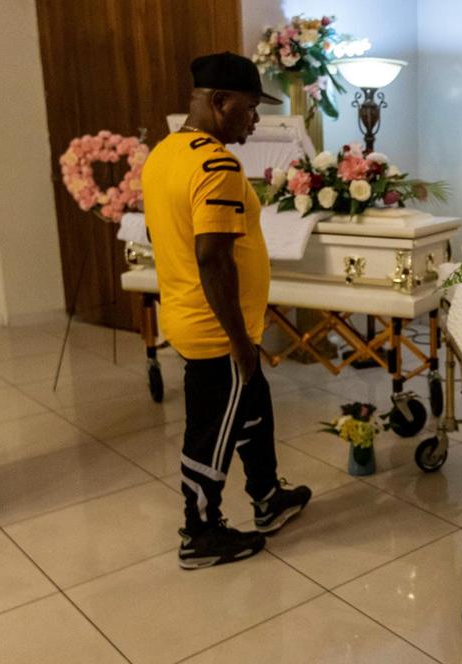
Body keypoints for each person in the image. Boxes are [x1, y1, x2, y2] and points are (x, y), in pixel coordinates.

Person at [143, 52, 311, 569]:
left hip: (188, 313)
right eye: (249, 108)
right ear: (218, 102)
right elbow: (213, 258)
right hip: (216, 329)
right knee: (211, 428)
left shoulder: (164, 155)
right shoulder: (214, 164)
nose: (255, 119)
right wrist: (239, 341)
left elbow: (161, 235)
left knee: (253, 410)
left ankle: (266, 497)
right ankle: (200, 531)